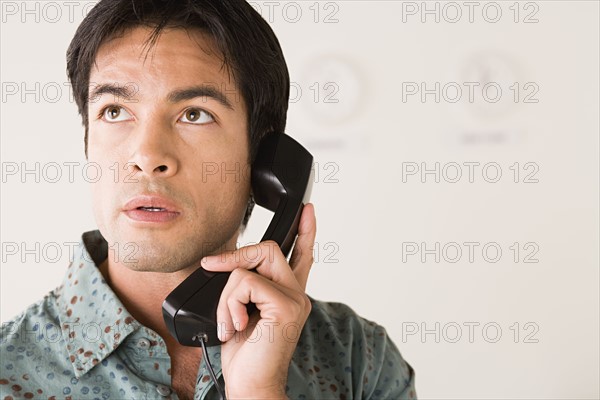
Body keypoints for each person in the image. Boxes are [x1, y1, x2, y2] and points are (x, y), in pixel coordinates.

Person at [0, 1, 417, 399]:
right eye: (114, 111)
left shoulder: (358, 360)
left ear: (262, 161)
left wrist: (259, 393)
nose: (147, 158)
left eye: (195, 114)